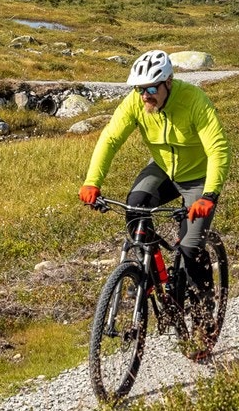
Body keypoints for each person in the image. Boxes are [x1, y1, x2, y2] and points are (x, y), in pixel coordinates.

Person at [80, 49, 229, 307]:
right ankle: (147, 276)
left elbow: (218, 149)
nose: (144, 96)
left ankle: (205, 303)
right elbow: (111, 138)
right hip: (163, 169)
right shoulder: (136, 102)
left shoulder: (194, 100)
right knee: (136, 206)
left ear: (168, 82)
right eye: (139, 89)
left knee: (191, 248)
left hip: (198, 177)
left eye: (151, 89)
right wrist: (93, 181)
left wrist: (209, 195)